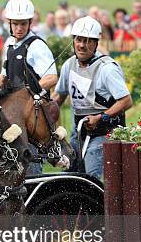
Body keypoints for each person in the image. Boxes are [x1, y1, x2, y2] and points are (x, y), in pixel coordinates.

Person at [52, 16, 132, 180]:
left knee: (90, 177)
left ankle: (98, 204)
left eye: (88, 41)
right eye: (79, 40)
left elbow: (126, 101)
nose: (82, 45)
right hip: (79, 131)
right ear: (73, 41)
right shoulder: (69, 65)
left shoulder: (107, 69)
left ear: (96, 43)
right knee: (68, 175)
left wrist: (100, 117)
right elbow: (59, 96)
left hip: (105, 132)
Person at [0, 0, 58, 175]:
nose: (19, 28)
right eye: (16, 24)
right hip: (12, 112)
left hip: (32, 114)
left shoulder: (37, 46)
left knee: (29, 162)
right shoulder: (10, 44)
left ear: (30, 23)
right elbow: (4, 77)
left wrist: (26, 96)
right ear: (9, 23)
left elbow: (51, 77)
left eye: (23, 24)